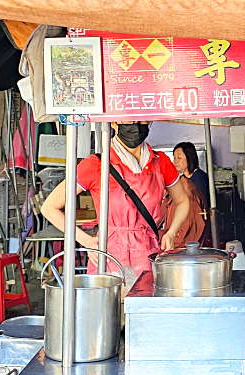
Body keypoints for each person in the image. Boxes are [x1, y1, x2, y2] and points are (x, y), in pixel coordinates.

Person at [41, 121, 192, 286]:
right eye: (129, 120)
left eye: (141, 120)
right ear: (113, 122)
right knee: (108, 308)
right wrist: (85, 240)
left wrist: (171, 233)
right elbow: (49, 208)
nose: (135, 124)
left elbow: (183, 201)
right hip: (108, 252)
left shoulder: (160, 161)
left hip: (148, 252)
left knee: (143, 306)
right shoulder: (97, 164)